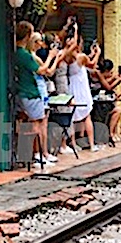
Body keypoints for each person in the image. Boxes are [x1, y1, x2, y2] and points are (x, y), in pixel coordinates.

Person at [13, 21, 62, 164]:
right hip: (30, 92)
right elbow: (42, 70)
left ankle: (38, 154)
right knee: (38, 124)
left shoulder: (16, 53)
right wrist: (52, 56)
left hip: (22, 92)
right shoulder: (25, 55)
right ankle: (39, 155)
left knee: (37, 123)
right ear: (28, 36)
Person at [64, 30, 101, 153]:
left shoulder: (67, 57)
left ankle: (74, 144)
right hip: (82, 89)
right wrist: (97, 53)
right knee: (87, 116)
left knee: (72, 117)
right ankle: (91, 144)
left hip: (72, 88)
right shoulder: (81, 57)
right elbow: (91, 64)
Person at [96, 59, 121, 143]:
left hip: (106, 103)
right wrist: (118, 80)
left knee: (118, 110)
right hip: (99, 105)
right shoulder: (98, 74)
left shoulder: (102, 77)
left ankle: (111, 133)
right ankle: (109, 134)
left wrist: (114, 78)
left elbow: (106, 83)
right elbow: (107, 86)